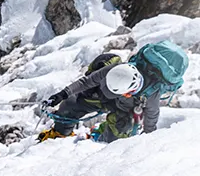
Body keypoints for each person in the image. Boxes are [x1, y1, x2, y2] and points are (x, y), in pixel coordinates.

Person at [37, 40, 188, 142]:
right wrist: (63, 94)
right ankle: (59, 133)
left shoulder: (150, 95)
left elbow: (151, 119)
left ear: (129, 92)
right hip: (102, 97)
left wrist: (148, 140)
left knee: (121, 130)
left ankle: (99, 141)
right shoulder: (113, 69)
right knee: (70, 105)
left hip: (125, 109)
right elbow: (86, 82)